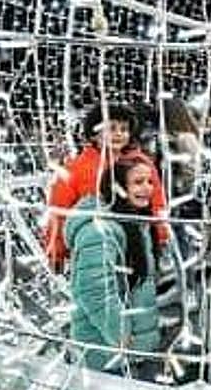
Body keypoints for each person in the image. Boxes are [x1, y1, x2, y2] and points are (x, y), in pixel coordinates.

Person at [44, 103, 167, 270]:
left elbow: (156, 200)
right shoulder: (77, 169)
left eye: (124, 129)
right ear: (94, 134)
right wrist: (56, 250)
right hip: (96, 246)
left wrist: (160, 235)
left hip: (139, 245)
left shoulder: (142, 163)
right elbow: (59, 211)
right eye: (111, 128)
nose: (118, 134)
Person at [66, 160, 160, 376]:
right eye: (138, 182)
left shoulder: (136, 222)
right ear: (116, 187)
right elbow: (94, 291)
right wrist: (121, 337)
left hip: (132, 350)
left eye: (150, 181)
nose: (147, 188)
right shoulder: (99, 231)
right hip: (109, 355)